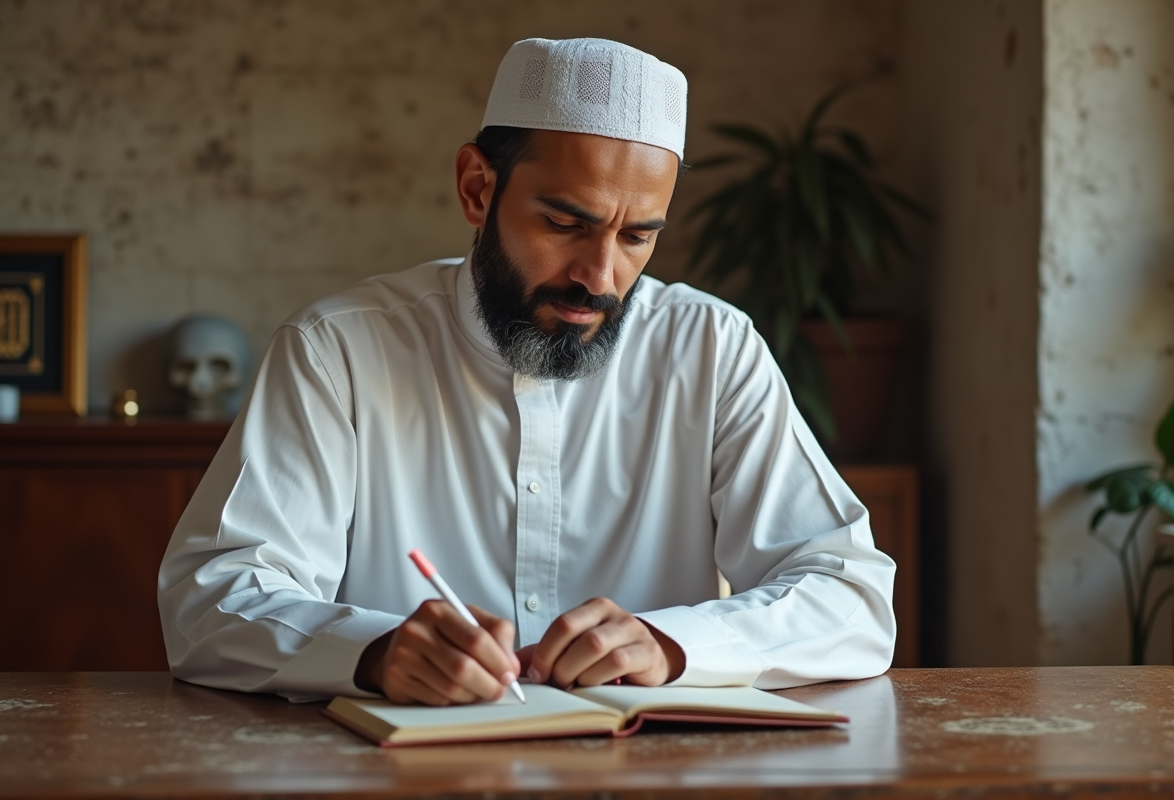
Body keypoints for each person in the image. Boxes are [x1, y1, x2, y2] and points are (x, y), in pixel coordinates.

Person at [158, 37, 896, 706]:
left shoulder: (712, 348)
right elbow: (211, 598)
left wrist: (675, 646)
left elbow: (851, 592)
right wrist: (374, 651)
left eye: (638, 236)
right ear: (478, 189)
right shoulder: (338, 351)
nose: (601, 278)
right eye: (567, 224)